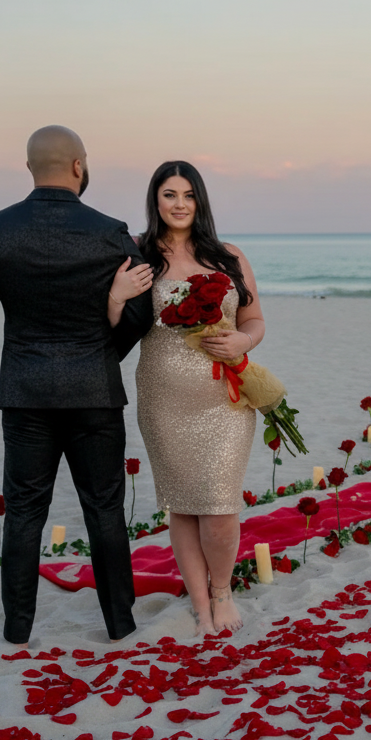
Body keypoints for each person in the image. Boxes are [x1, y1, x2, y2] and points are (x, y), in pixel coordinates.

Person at [0, 125, 155, 647]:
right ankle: (120, 623)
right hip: (94, 393)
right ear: (79, 166)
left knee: (23, 512)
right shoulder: (111, 231)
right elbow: (139, 311)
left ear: (29, 168)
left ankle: (17, 629)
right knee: (104, 508)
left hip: (25, 394)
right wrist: (104, 356)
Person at [120, 160, 264, 636]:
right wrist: (116, 296)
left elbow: (254, 320)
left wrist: (243, 342)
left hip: (224, 397)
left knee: (220, 505)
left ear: (199, 201)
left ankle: (222, 591)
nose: (179, 204)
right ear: (155, 201)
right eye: (169, 195)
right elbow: (110, 323)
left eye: (188, 195)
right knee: (182, 503)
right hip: (163, 397)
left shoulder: (229, 256)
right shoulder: (137, 254)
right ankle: (200, 602)